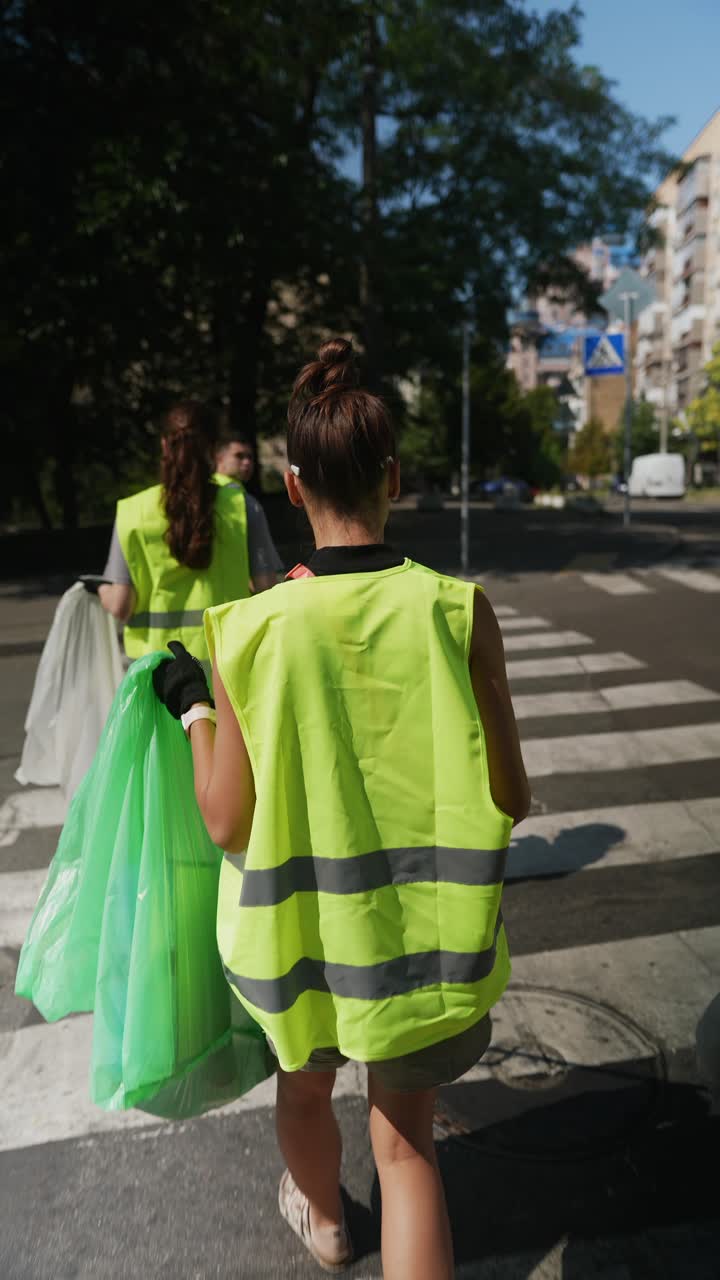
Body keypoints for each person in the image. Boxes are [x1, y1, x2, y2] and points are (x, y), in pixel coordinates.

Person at [152, 339, 530, 1279]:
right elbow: (512, 797)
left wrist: (193, 708)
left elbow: (226, 823)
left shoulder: (248, 629)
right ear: (394, 477)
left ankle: (323, 1226)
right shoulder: (458, 609)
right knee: (407, 1154)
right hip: (426, 946)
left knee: (307, 1097)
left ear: (288, 485)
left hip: (300, 947)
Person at [98, 401, 283, 664]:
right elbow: (267, 591)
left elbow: (120, 605)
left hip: (157, 675)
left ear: (164, 446)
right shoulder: (243, 508)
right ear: (213, 450)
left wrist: (100, 590)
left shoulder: (132, 513)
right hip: (227, 670)